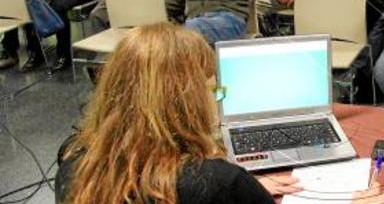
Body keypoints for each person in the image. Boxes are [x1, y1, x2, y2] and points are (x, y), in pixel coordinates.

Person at [55, 23, 288, 203]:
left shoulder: (73, 165)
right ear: (188, 102)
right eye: (214, 90)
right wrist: (245, 191)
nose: (219, 99)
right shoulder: (220, 182)